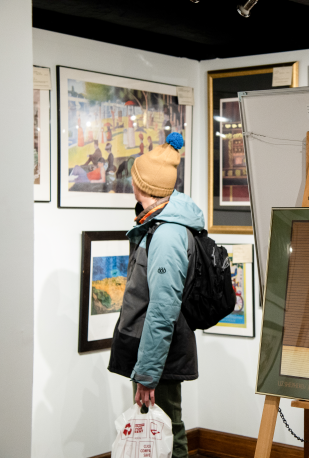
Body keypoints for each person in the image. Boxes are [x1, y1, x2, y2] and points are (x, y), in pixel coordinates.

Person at [109, 132, 203, 458]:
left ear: (142, 186)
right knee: (159, 429)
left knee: (165, 429)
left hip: (159, 353)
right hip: (156, 349)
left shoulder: (166, 235)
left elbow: (162, 308)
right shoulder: (159, 225)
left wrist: (147, 373)